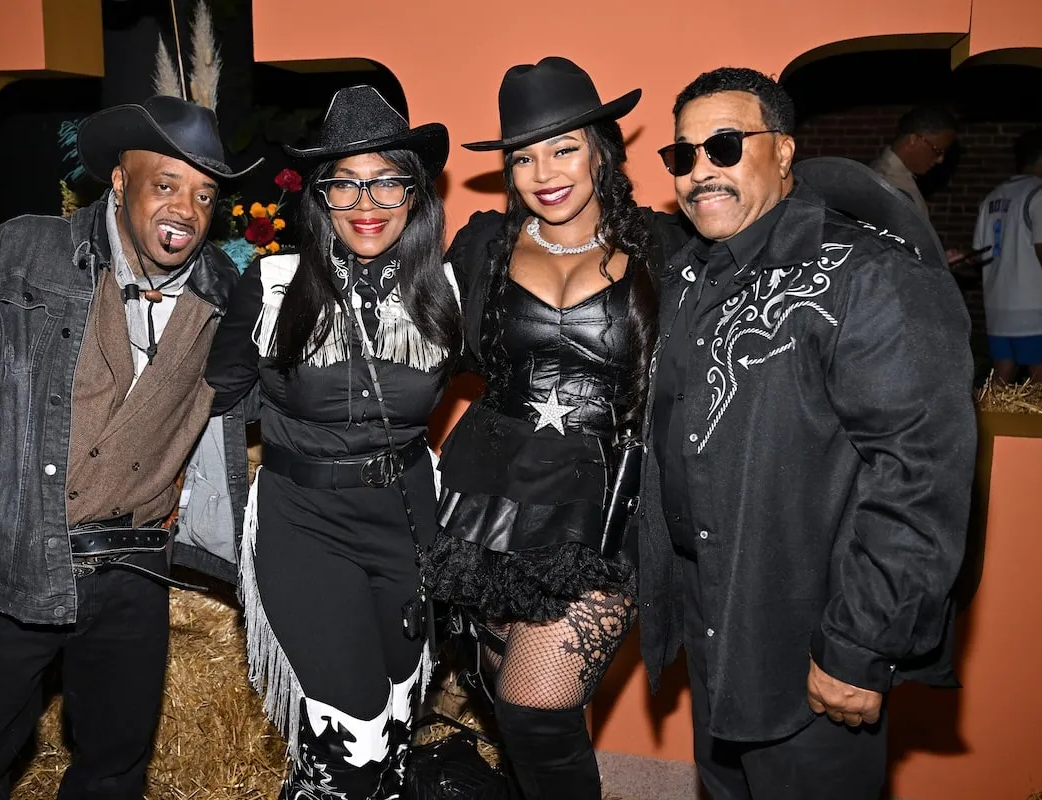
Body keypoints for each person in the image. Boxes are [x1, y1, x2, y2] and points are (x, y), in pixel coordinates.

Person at [0, 95, 253, 798]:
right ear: (120, 179)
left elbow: (247, 399)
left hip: (132, 572)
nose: (186, 208)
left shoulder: (223, 291)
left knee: (115, 768)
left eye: (205, 194)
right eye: (167, 184)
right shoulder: (19, 255)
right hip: (7, 562)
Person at [639, 66, 976, 799]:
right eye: (683, 156)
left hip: (811, 635)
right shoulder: (694, 279)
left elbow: (919, 475)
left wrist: (861, 643)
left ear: (785, 153)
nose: (701, 171)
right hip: (715, 620)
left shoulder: (868, 275)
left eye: (724, 146)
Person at [424, 57, 683, 800]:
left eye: (563, 148)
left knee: (535, 705)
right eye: (523, 156)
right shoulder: (482, 247)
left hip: (607, 510)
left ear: (601, 148)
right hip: (490, 496)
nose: (544, 171)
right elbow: (426, 351)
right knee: (502, 688)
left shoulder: (669, 249)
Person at [203, 84, 461, 799]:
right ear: (319, 198)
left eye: (386, 180)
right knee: (350, 734)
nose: (366, 201)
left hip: (409, 517)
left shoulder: (448, 289)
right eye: (344, 184)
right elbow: (212, 395)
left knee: (401, 717)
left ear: (415, 191)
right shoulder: (274, 284)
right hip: (305, 521)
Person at [972, 127, 1042, 384]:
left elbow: (980, 256)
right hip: (1035, 311)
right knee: (1040, 387)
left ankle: (988, 425)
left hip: (998, 309)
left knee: (1000, 380)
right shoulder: (1040, 194)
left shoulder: (992, 197)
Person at [869, 105, 957, 257]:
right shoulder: (890, 185)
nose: (940, 159)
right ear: (913, 140)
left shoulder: (896, 177)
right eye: (938, 151)